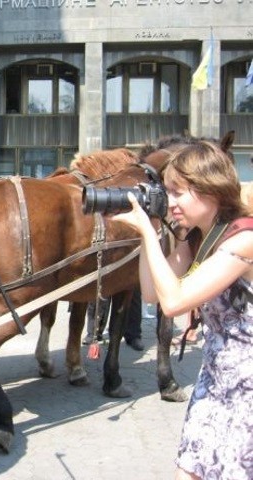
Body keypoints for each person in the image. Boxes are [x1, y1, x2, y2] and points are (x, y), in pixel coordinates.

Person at [113, 140, 253, 480]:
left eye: (178, 192)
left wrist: (148, 233)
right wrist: (151, 231)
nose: (170, 202)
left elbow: (175, 302)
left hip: (247, 387)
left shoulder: (244, 238)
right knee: (188, 472)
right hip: (216, 378)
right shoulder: (197, 238)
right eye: (167, 192)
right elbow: (152, 293)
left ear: (211, 189)